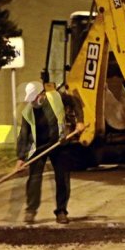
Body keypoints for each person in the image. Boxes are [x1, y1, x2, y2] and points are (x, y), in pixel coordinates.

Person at [16, 81, 84, 224]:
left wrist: (80, 121)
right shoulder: (28, 112)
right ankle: (30, 210)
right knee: (34, 178)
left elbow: (75, 102)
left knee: (62, 178)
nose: (33, 102)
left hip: (59, 143)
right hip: (39, 147)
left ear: (42, 94)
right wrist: (21, 157)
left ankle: (61, 211)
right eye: (31, 100)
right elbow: (24, 134)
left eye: (35, 98)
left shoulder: (57, 97)